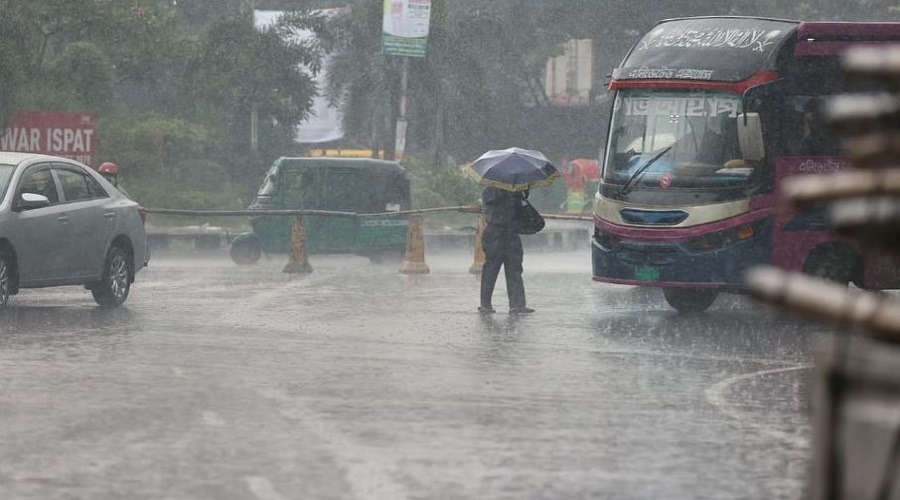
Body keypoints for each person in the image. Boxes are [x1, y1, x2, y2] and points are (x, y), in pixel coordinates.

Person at [479, 186, 534, 314]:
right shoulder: (490, 191)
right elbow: (494, 206)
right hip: (495, 234)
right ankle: (485, 304)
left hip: (510, 234)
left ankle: (517, 305)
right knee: (491, 269)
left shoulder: (516, 193)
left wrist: (523, 194)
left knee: (514, 269)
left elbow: (520, 213)